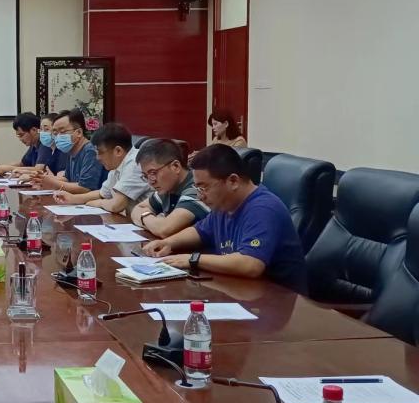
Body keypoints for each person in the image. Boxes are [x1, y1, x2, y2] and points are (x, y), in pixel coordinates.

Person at [143, 144, 307, 293]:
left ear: (233, 181)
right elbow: (199, 232)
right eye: (197, 188)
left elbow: (251, 265)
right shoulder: (224, 205)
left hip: (277, 298)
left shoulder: (263, 208)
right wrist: (168, 243)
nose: (200, 196)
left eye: (204, 188)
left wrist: (193, 259)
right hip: (239, 290)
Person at [52, 122, 150, 215]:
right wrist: (72, 198)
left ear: (118, 151)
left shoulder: (135, 163)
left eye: (100, 152)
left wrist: (98, 203)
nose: (98, 158)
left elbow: (117, 205)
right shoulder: (118, 164)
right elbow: (102, 193)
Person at [131, 138, 209, 238]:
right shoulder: (167, 188)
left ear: (176, 166)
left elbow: (164, 230)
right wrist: (152, 221)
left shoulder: (197, 188)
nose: (151, 181)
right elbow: (137, 209)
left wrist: (144, 216)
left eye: (153, 173)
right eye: (145, 176)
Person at [30, 108, 106, 195]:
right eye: (55, 133)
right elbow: (67, 179)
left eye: (62, 132)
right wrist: (41, 179)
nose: (58, 137)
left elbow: (85, 188)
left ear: (79, 132)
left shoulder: (91, 151)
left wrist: (52, 183)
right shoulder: (71, 151)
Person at [0, 112, 47, 176]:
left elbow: (39, 170)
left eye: (21, 135)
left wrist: (9, 168)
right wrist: (2, 166)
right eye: (18, 136)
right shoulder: (34, 145)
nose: (20, 139)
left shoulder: (45, 143)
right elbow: (22, 164)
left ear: (34, 130)